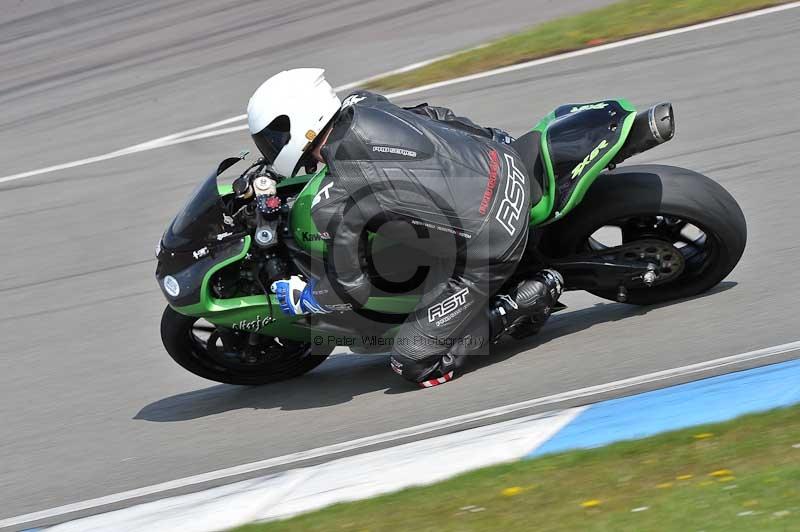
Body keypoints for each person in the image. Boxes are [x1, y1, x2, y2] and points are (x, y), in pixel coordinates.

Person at [248, 68, 563, 387]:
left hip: (491, 243)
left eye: (273, 137)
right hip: (502, 161)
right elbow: (435, 115)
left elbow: (353, 288)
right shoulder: (363, 103)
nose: (272, 146)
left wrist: (309, 296)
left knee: (411, 361)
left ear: (298, 122)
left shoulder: (339, 197)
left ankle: (517, 305)